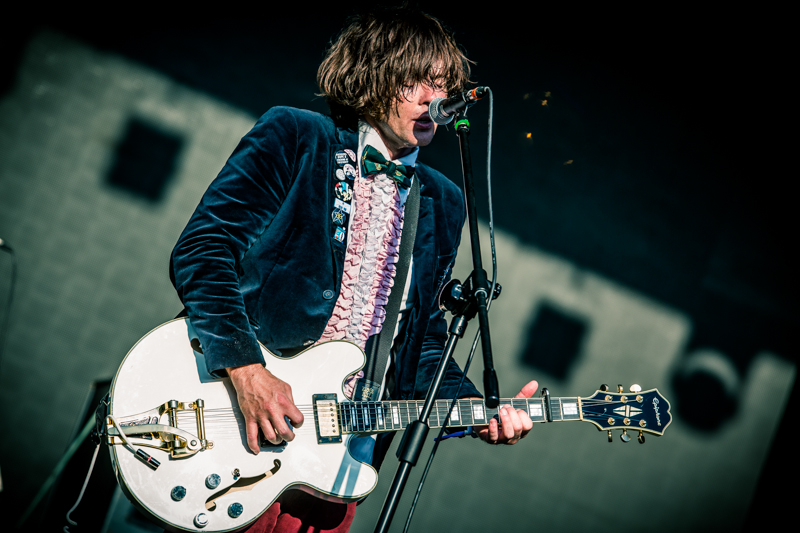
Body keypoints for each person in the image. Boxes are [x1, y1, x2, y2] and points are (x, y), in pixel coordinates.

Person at [170, 7, 537, 533]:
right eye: (419, 79)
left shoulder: (442, 201)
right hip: (242, 421)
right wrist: (245, 369)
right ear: (376, 75)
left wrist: (478, 411)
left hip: (342, 460)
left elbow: (423, 339)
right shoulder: (296, 136)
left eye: (444, 83)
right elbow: (204, 249)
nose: (435, 96)